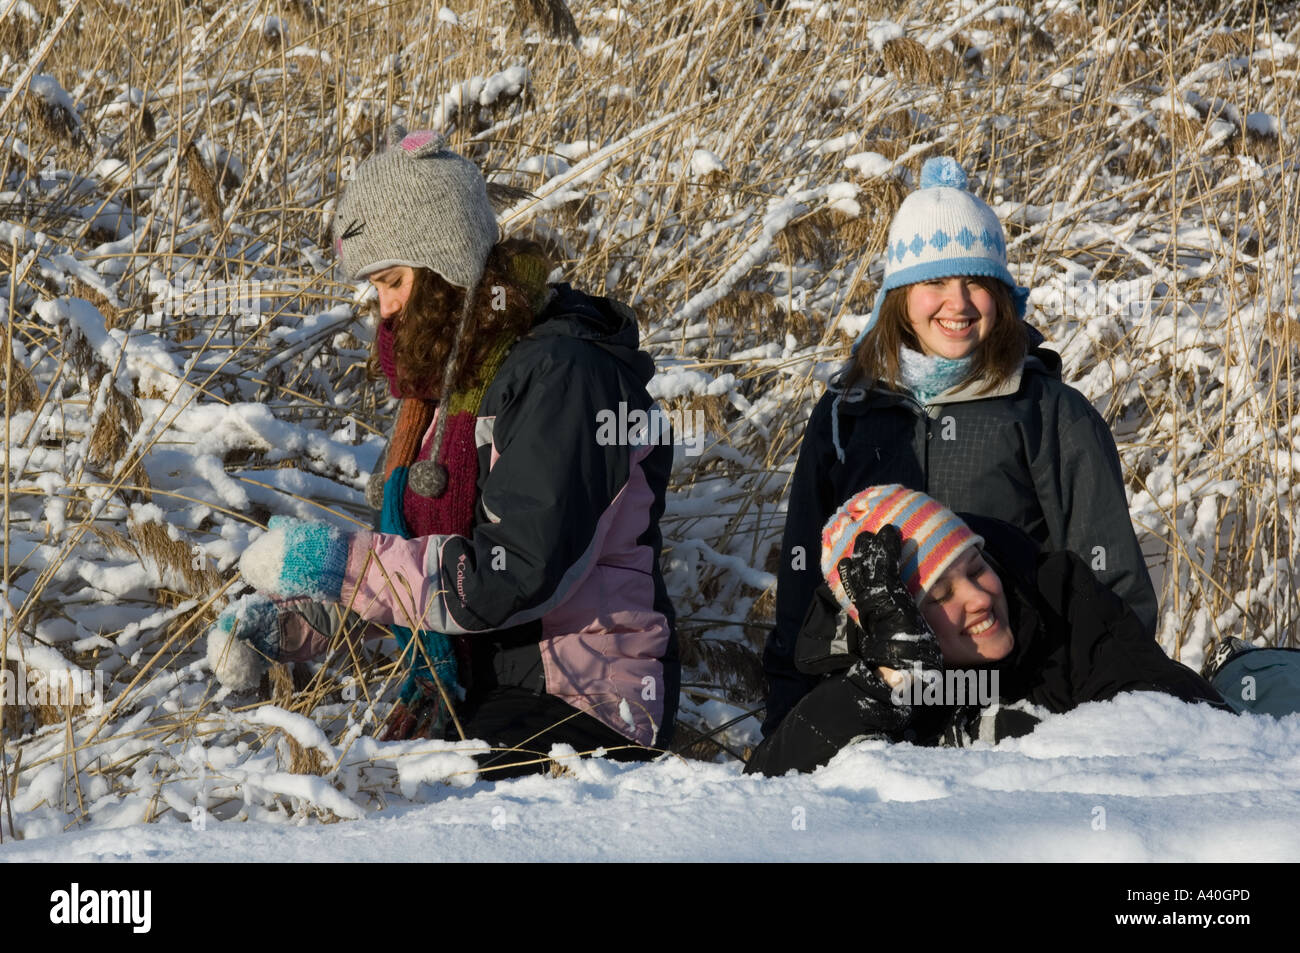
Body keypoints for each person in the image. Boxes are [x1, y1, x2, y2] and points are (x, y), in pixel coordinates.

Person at [206, 128, 679, 778]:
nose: (385, 307)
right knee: (365, 796)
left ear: (447, 263)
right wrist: (301, 615)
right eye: (375, 287)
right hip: (486, 693)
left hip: (585, 705)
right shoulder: (445, 397)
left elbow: (508, 575)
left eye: (393, 280)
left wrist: (333, 560)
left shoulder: (566, 377)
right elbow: (415, 570)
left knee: (412, 805)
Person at [761, 156, 1159, 736]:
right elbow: (804, 589)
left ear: (1000, 294)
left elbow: (1113, 592)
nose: (959, 302)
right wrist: (788, 721)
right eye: (935, 282)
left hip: (1020, 715)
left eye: (977, 281)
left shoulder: (1049, 412)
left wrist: (1094, 731)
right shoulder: (847, 415)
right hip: (880, 721)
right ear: (899, 296)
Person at [745, 486, 1223, 776]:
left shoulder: (1059, 600)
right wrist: (889, 682)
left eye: (976, 569)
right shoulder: (847, 669)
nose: (977, 598)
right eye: (939, 596)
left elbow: (1191, 719)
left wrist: (1042, 744)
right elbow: (764, 785)